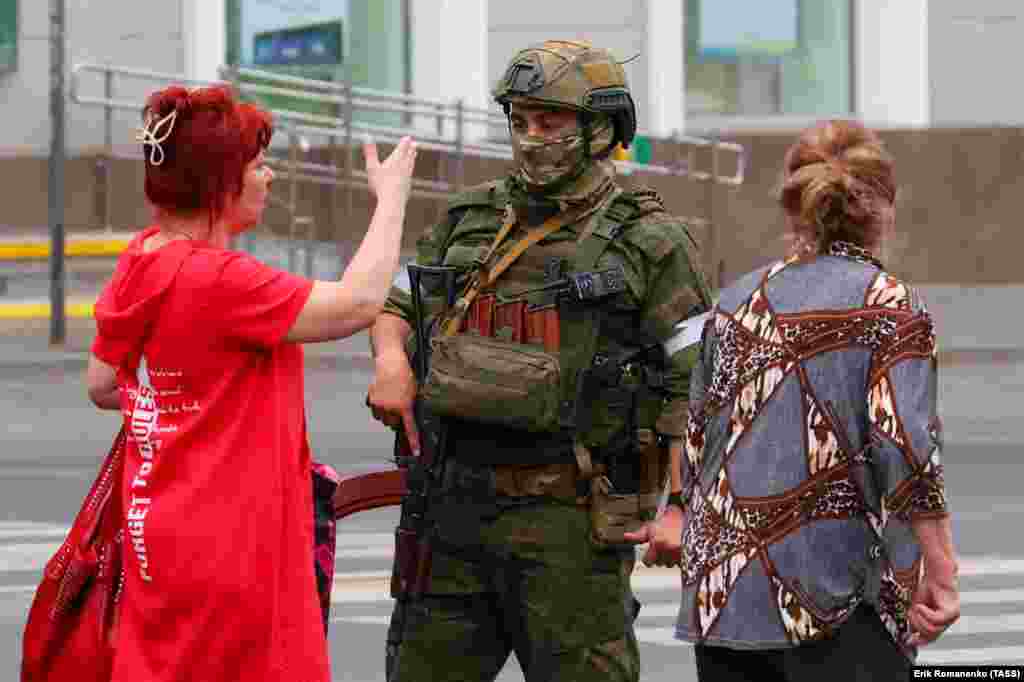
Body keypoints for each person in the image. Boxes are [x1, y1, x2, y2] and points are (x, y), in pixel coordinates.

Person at [366, 39, 711, 681]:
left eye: (549, 120)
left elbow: (695, 382)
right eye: (520, 120)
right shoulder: (468, 219)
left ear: (600, 127)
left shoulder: (652, 241)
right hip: (451, 514)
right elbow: (396, 309)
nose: (530, 137)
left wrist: (679, 505)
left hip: (570, 527)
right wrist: (392, 362)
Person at [85, 83, 417, 681]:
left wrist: (183, 413)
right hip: (232, 541)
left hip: (159, 531)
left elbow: (104, 382)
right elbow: (359, 302)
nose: (269, 178)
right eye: (258, 165)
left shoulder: (143, 257)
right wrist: (391, 198)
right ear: (220, 182)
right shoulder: (219, 280)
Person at [667, 119, 959, 680]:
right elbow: (906, 448)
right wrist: (941, 568)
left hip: (724, 598)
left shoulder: (734, 303)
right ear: (884, 208)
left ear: (793, 206)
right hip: (836, 598)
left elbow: (698, 432)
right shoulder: (889, 307)